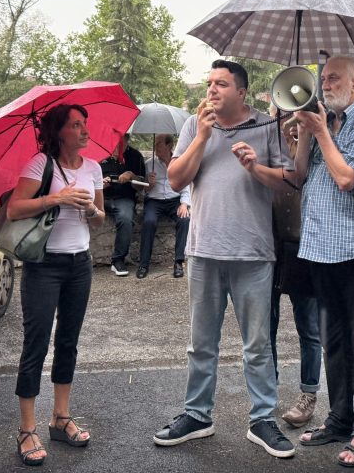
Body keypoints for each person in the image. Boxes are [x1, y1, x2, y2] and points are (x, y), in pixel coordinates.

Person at [154, 59, 295, 458]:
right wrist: (201, 136)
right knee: (201, 343)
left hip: (253, 252)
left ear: (242, 92)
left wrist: (256, 166)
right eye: (209, 82)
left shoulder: (268, 126)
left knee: (257, 343)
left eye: (221, 84)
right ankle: (197, 415)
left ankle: (263, 419)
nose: (212, 89)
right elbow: (177, 179)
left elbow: (289, 182)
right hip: (203, 250)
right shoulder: (194, 124)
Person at [291, 56, 354, 468]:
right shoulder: (323, 124)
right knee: (333, 338)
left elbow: (347, 179)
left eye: (333, 78)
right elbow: (299, 176)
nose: (325, 84)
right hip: (321, 247)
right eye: (323, 78)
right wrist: (303, 135)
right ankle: (339, 418)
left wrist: (322, 134)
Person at [7, 104, 105, 466]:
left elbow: (100, 221)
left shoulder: (92, 168)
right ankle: (27, 428)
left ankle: (60, 417)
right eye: (76, 125)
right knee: (36, 343)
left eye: (85, 124)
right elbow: (15, 209)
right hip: (44, 266)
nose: (84, 130)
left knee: (68, 341)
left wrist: (91, 210)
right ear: (59, 132)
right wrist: (57, 198)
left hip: (80, 264)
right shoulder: (40, 165)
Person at [269, 115, 322, 429]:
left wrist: (303, 141)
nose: (290, 124)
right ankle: (267, 389)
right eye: (284, 115)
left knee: (309, 329)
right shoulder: (269, 147)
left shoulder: (318, 149)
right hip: (272, 245)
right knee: (267, 326)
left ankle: (309, 395)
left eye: (296, 117)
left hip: (305, 246)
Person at [138, 134, 190, 279]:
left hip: (175, 200)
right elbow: (142, 191)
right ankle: (143, 264)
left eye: (159, 144)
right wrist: (149, 185)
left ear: (169, 145)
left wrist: (184, 204)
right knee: (148, 221)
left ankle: (179, 262)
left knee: (184, 219)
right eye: (155, 144)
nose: (156, 147)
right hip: (155, 201)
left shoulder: (179, 163)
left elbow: (186, 186)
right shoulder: (149, 164)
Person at [100, 133, 147, 277]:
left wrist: (132, 176)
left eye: (120, 144)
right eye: (114, 144)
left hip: (123, 198)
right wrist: (100, 184)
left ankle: (118, 260)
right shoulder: (100, 154)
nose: (116, 148)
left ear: (127, 140)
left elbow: (141, 187)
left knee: (126, 219)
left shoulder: (135, 156)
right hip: (100, 196)